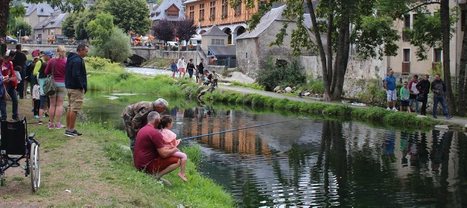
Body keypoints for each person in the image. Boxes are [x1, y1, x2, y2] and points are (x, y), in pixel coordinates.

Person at [133, 111, 181, 185]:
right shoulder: (155, 133)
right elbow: (163, 154)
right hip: (145, 166)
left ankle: (154, 174)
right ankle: (156, 177)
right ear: (157, 121)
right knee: (178, 160)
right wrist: (175, 149)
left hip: (138, 164)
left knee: (170, 154)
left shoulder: (142, 129)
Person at [64, 44, 89, 137]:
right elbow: (76, 75)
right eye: (86, 51)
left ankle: (69, 128)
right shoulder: (78, 60)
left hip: (69, 87)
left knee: (70, 108)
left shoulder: (71, 58)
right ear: (81, 50)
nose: (87, 53)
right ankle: (70, 130)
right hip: (75, 88)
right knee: (74, 109)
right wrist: (82, 86)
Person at [158, 115, 188, 181]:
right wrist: (178, 142)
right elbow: (174, 146)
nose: (172, 124)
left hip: (162, 150)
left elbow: (167, 143)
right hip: (169, 151)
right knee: (184, 156)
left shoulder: (160, 131)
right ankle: (182, 173)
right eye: (172, 123)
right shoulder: (171, 134)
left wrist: (176, 141)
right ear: (168, 124)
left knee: (180, 153)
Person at [45, 46, 67, 129]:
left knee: (52, 104)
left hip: (52, 84)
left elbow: (46, 71)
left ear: (57, 51)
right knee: (59, 105)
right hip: (62, 84)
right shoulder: (66, 61)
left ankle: (50, 124)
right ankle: (58, 124)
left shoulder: (52, 61)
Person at [0, 52, 18, 121]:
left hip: (11, 84)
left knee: (15, 100)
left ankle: (15, 115)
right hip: (4, 85)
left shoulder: (10, 63)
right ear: (10, 56)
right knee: (3, 102)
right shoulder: (2, 64)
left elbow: (12, 73)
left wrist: (11, 79)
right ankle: (3, 117)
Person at [37, 50, 54, 125]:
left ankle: (40, 120)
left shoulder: (42, 64)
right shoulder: (50, 64)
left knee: (41, 104)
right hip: (49, 88)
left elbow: (38, 76)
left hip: (42, 88)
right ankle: (50, 120)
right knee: (50, 104)